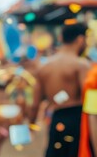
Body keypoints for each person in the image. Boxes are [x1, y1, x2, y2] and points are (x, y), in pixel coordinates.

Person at [30, 23, 90, 157]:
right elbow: (90, 99)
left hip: (56, 118)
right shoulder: (81, 64)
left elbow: (35, 104)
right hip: (77, 119)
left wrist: (31, 125)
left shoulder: (44, 67)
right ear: (80, 39)